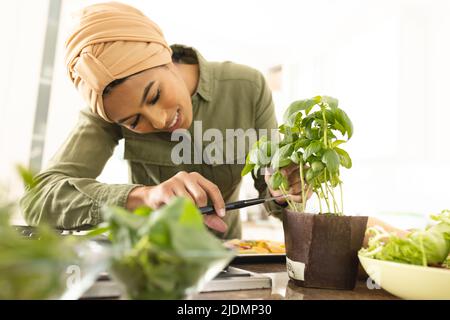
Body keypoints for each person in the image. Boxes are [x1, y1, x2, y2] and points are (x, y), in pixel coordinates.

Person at [20, 2, 305, 239]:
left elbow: (271, 185)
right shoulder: (107, 112)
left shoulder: (246, 86)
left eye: (155, 95)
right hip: (149, 269)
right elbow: (37, 199)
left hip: (231, 266)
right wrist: (143, 197)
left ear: (165, 55)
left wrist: (285, 190)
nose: (159, 120)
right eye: (133, 121)